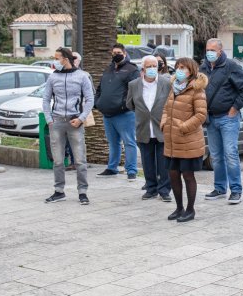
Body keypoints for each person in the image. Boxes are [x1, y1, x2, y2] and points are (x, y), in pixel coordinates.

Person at [200, 38, 243, 204]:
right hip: (211, 118)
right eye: (208, 49)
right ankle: (219, 188)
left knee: (230, 154)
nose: (209, 52)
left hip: (227, 118)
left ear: (220, 51)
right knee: (216, 156)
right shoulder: (203, 67)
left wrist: (235, 108)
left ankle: (236, 190)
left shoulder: (231, 66)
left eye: (213, 50)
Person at [42, 47, 94, 204]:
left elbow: (90, 99)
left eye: (57, 58)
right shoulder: (52, 77)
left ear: (66, 58)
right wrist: (49, 119)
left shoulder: (82, 76)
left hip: (75, 122)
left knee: (79, 160)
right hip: (57, 122)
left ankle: (83, 192)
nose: (55, 61)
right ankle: (59, 191)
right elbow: (45, 99)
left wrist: (81, 118)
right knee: (58, 160)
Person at [161, 57, 208, 222]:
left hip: (189, 141)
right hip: (172, 141)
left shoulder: (197, 90)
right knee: (173, 174)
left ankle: (190, 210)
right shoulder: (174, 88)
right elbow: (167, 108)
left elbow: (201, 115)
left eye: (183, 67)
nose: (179, 70)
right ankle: (179, 207)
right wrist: (164, 123)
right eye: (178, 67)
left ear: (191, 71)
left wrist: (183, 127)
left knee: (188, 175)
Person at [127, 55, 172, 202]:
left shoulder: (166, 83)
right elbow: (130, 104)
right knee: (147, 162)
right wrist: (143, 114)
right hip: (144, 128)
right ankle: (151, 188)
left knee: (164, 162)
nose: (152, 69)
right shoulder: (134, 85)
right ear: (143, 69)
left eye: (155, 66)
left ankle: (164, 190)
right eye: (149, 66)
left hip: (162, 128)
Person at [95, 43, 140, 180]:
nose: (116, 55)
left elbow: (135, 91)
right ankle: (112, 167)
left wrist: (124, 106)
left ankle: (131, 170)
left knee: (129, 142)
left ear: (124, 53)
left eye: (118, 52)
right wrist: (98, 103)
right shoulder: (108, 69)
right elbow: (100, 88)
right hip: (107, 114)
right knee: (113, 142)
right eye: (114, 53)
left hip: (124, 114)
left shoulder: (132, 69)